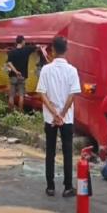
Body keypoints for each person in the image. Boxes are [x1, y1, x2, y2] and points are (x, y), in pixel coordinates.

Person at [36, 36, 81, 197]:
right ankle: (68, 186)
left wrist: (54, 113)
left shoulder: (46, 70)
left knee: (50, 151)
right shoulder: (72, 70)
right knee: (68, 152)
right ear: (66, 49)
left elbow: (42, 94)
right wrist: (61, 114)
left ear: (53, 50)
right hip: (66, 118)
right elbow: (72, 95)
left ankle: (50, 186)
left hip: (50, 118)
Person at [7, 35, 37, 111]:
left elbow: (9, 63)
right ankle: (20, 112)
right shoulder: (26, 50)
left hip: (13, 76)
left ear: (16, 42)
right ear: (23, 41)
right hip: (22, 77)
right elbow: (36, 47)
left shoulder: (12, 52)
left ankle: (11, 112)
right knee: (21, 96)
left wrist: (16, 71)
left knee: (11, 95)